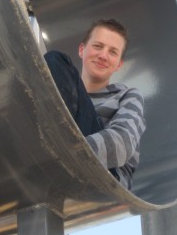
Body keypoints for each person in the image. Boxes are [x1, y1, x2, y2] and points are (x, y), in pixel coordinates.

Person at [44, 19, 146, 189]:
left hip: (106, 176)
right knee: (51, 63)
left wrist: (66, 153)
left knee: (55, 59)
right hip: (57, 161)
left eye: (113, 52)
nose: (103, 56)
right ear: (81, 50)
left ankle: (53, 152)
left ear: (119, 64)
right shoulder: (62, 85)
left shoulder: (127, 96)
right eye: (98, 46)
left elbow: (122, 143)